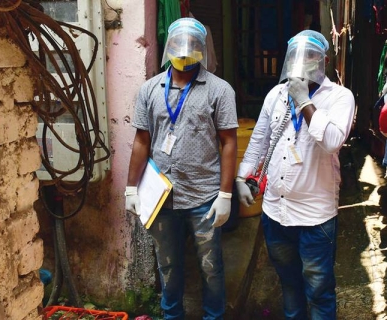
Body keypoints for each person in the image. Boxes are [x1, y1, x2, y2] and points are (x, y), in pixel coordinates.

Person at [235, 30, 355, 319]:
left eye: (311, 55)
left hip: (316, 218)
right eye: (297, 56)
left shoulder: (340, 97)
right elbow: (259, 142)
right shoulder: (275, 95)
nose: (303, 62)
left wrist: (305, 102)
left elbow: (331, 141)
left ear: (323, 60)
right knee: (289, 287)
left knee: (319, 291)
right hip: (276, 213)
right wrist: (243, 177)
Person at [125, 17, 238, 320]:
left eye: (191, 45)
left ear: (202, 48)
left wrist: (225, 194)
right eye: (178, 43)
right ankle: (171, 316)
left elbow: (228, 142)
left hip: (204, 197)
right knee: (168, 266)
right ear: (169, 46)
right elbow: (141, 140)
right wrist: (131, 188)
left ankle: (214, 316)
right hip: (162, 198)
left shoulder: (220, 90)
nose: (184, 50)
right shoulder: (150, 90)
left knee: (210, 266)